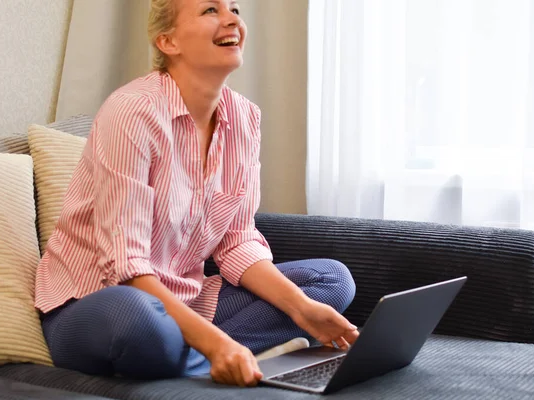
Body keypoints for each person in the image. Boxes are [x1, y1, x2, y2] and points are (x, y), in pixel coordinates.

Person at [35, 0, 359, 388]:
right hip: (96, 303)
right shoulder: (132, 112)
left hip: (187, 301)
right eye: (210, 10)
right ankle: (224, 354)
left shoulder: (244, 119)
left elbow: (237, 243)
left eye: (235, 9)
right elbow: (126, 268)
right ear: (168, 41)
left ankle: (204, 357)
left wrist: (303, 311)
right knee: (140, 322)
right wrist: (217, 342)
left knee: (331, 282)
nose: (231, 19)